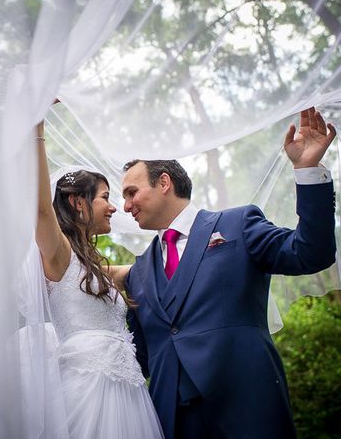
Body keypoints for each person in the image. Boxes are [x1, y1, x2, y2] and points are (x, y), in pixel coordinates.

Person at [121, 107, 337, 439]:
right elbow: (141, 359)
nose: (126, 206)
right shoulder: (137, 273)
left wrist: (306, 170)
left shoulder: (238, 224)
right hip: (172, 422)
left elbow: (310, 254)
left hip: (248, 408)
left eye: (131, 192)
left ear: (164, 182)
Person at [34, 120, 164, 438]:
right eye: (105, 198)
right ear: (78, 202)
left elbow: (150, 270)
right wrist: (35, 128)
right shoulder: (57, 255)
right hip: (86, 392)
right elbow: (40, 211)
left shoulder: (93, 269)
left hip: (129, 392)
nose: (113, 207)